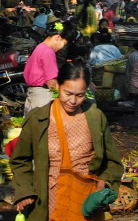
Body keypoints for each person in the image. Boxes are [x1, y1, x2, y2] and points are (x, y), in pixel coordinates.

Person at [11, 60, 123, 221]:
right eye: (68, 93)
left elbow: (112, 160)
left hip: (86, 197)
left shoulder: (95, 117)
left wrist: (105, 182)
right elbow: (20, 160)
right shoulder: (38, 119)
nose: (73, 101)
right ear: (57, 86)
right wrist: (25, 191)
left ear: (87, 91)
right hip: (47, 196)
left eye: (80, 95)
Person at [23, 21, 74, 115]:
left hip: (33, 94)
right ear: (58, 38)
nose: (62, 47)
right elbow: (52, 82)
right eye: (64, 43)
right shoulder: (48, 51)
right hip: (42, 97)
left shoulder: (39, 47)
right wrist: (62, 96)